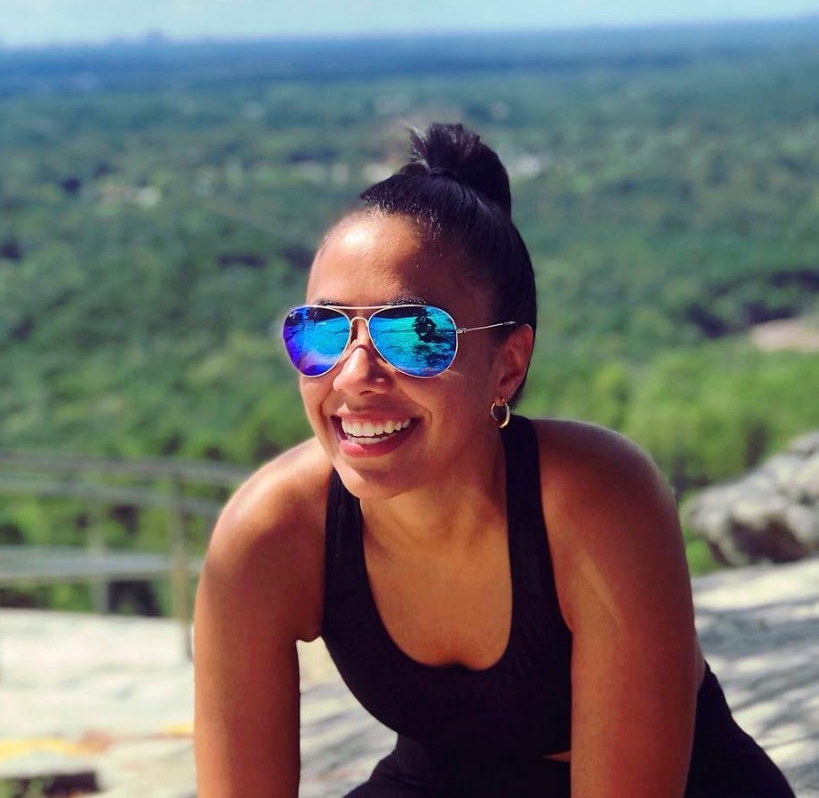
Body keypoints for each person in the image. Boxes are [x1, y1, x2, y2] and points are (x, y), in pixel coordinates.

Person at [193, 123, 795, 798]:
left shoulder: (597, 499)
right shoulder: (269, 532)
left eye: (416, 334)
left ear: (506, 365)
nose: (355, 374)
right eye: (322, 330)